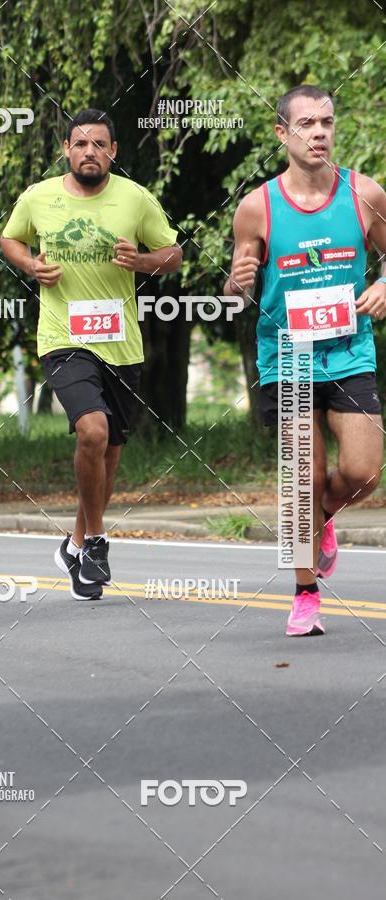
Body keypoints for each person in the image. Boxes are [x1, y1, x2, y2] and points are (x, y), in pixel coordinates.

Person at [0, 109, 182, 599]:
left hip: (121, 343)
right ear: (66, 149)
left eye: (99, 144)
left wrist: (141, 261)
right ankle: (98, 542)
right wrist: (30, 265)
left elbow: (173, 254)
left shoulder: (135, 198)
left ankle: (76, 545)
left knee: (110, 450)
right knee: (93, 431)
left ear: (113, 151)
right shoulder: (39, 197)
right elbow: (10, 238)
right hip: (64, 338)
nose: (89, 152)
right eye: (80, 144)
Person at [225, 85, 386, 636]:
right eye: (306, 124)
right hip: (288, 356)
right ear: (282, 133)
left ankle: (322, 519)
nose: (319, 133)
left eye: (327, 123)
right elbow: (235, 292)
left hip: (349, 352)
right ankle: (305, 594)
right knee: (303, 479)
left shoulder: (365, 193)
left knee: (364, 473)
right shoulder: (257, 207)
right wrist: (236, 282)